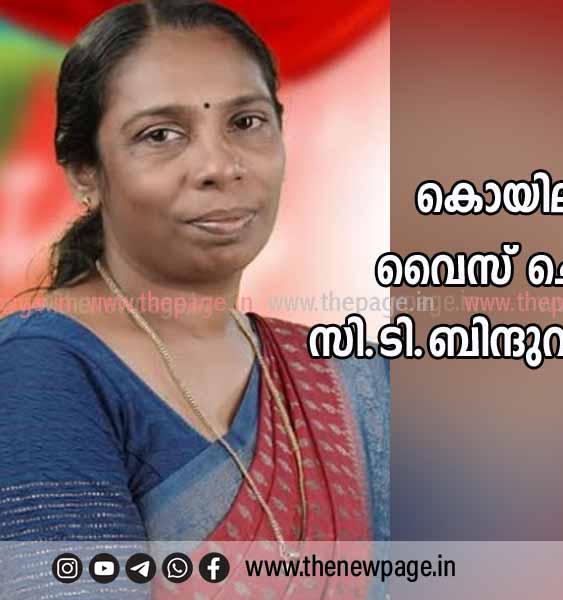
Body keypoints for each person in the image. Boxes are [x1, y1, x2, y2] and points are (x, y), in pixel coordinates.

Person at [0, 1, 388, 596]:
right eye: (161, 134)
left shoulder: (344, 375)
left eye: (246, 122)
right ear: (84, 172)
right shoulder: (41, 370)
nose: (219, 166)